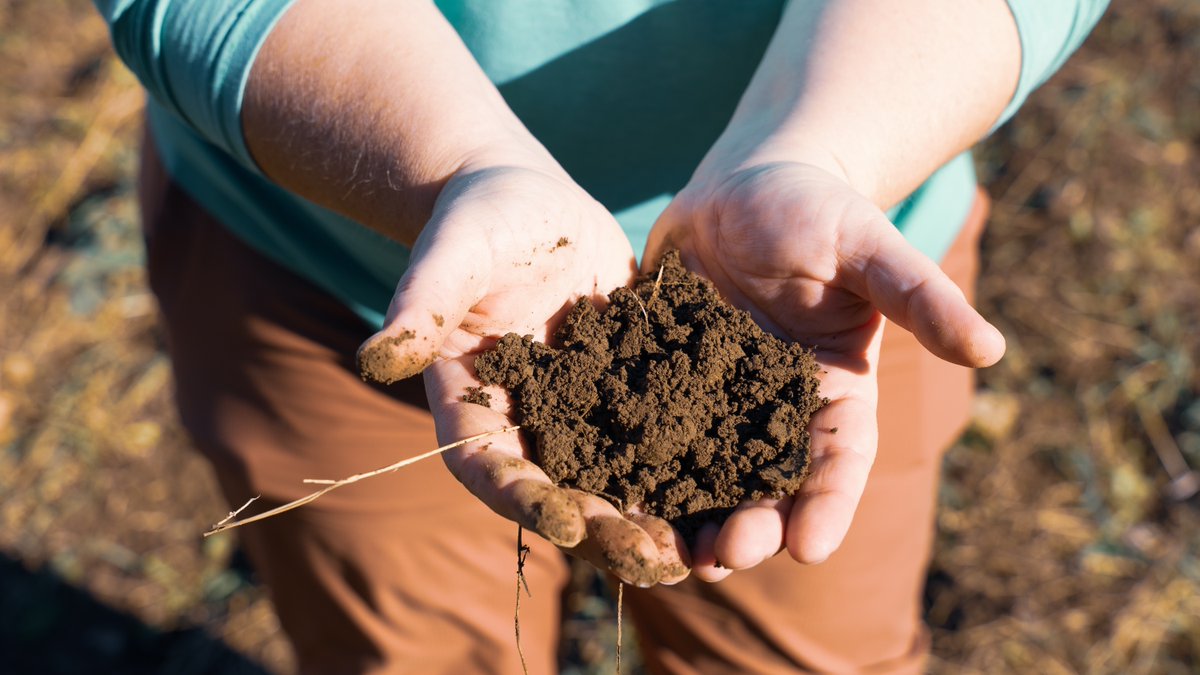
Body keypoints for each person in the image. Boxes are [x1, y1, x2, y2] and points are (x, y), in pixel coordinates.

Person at [95, 0, 1108, 672]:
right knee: (407, 650)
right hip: (322, 252)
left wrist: (824, 148)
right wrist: (455, 166)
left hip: (824, 271)